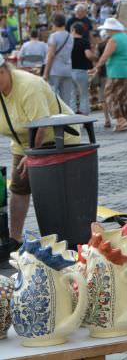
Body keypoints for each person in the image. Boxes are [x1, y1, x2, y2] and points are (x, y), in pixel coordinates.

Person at [0, 54, 79, 250]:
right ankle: (14, 238)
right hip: (23, 142)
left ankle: (62, 241)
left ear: (4, 71)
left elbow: (41, 124)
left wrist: (33, 155)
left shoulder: (28, 85)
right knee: (19, 186)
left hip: (57, 137)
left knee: (49, 191)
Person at [90, 18, 127, 132]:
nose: (107, 31)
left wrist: (97, 67)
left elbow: (105, 56)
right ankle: (124, 120)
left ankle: (120, 120)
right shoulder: (126, 37)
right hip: (126, 70)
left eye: (107, 29)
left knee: (109, 96)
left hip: (115, 71)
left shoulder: (113, 40)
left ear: (110, 29)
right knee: (122, 96)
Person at [43, 12, 74, 104]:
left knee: (52, 98)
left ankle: (56, 117)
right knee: (66, 100)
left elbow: (51, 55)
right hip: (68, 70)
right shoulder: (70, 36)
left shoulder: (53, 36)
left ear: (54, 23)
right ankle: (67, 117)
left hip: (55, 70)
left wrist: (45, 73)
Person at [70, 23, 94, 114]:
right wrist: (95, 58)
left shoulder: (68, 42)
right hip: (80, 71)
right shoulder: (84, 42)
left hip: (68, 71)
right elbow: (88, 55)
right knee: (83, 95)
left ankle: (73, 117)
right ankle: (84, 117)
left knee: (71, 95)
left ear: (74, 30)